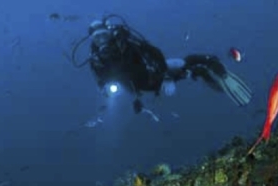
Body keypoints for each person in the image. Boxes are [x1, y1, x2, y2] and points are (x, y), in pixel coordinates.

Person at [72, 15, 252, 113]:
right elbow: (101, 80)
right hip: (143, 86)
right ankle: (199, 72)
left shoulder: (126, 43)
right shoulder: (96, 59)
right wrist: (109, 90)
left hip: (156, 72)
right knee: (186, 73)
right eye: (97, 38)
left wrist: (165, 76)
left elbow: (154, 53)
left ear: (110, 34)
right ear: (93, 40)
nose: (102, 40)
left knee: (181, 64)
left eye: (104, 35)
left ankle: (209, 62)